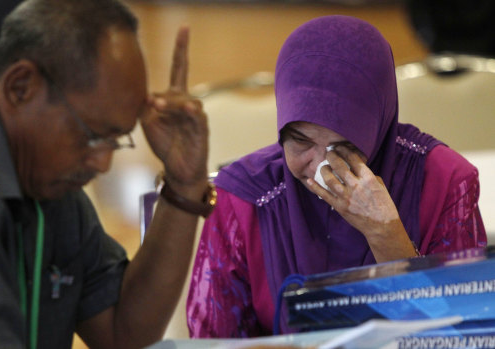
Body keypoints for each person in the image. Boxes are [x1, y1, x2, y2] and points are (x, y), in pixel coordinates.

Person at [0, 0, 214, 348]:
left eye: (115, 141)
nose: (102, 164)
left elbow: (122, 333)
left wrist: (184, 186)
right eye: (94, 136)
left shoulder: (50, 187)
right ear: (21, 86)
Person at [186, 15, 487, 338]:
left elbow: (465, 333)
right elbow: (212, 340)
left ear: (378, 130)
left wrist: (386, 235)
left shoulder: (442, 182)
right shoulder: (244, 199)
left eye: (344, 146)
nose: (321, 166)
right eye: (300, 141)